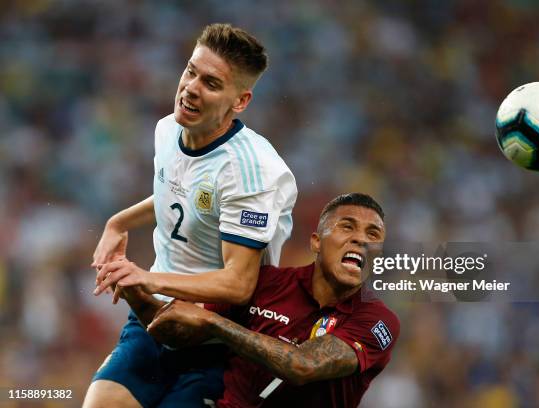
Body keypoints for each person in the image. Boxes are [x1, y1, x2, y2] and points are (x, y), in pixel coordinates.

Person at [84, 23, 297, 408]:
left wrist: (146, 277)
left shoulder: (251, 172)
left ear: (240, 101)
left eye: (212, 84)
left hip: (218, 342)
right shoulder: (167, 130)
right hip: (154, 319)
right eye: (190, 71)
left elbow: (238, 283)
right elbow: (179, 195)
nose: (191, 88)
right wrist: (118, 222)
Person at [147, 193, 400, 407]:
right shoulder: (267, 282)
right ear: (316, 242)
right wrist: (133, 285)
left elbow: (304, 365)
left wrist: (213, 322)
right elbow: (175, 332)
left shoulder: (379, 321)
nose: (361, 239)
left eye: (373, 234)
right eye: (347, 226)